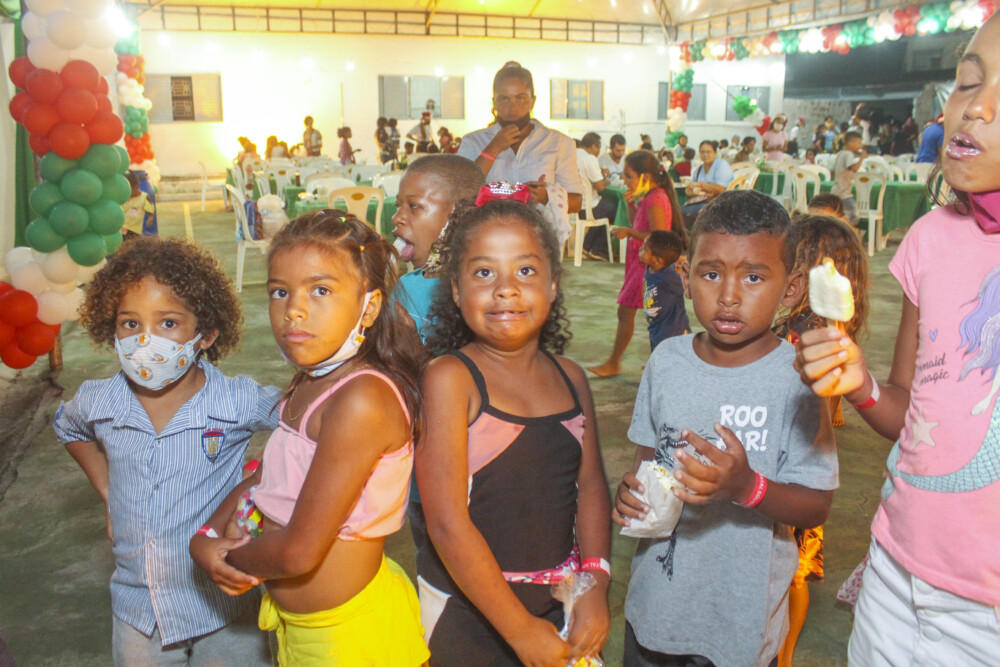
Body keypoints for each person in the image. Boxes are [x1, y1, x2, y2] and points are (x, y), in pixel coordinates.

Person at [795, 17, 1000, 663]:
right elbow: (911, 414)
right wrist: (859, 384)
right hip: (896, 572)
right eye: (967, 81)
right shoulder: (930, 239)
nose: (976, 106)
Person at [191, 212, 429, 665]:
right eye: (280, 291)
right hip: (303, 628)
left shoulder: (361, 401)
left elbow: (299, 552)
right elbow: (265, 476)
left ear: (369, 307)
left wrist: (227, 559)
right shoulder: (311, 381)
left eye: (320, 290)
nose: (293, 310)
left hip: (351, 640)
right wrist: (204, 537)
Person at [614, 190, 838, 666]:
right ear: (685, 277)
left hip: (739, 624)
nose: (729, 296)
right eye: (711, 274)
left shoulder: (798, 379)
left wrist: (745, 487)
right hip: (656, 609)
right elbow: (647, 463)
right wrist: (632, 495)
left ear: (791, 288)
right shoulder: (667, 361)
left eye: (753, 277)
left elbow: (815, 504)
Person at [54, 237, 278, 666]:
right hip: (139, 611)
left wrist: (259, 481)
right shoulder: (98, 401)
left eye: (168, 323)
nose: (145, 341)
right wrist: (109, 490)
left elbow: (305, 422)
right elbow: (67, 426)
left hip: (224, 607)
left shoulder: (237, 400)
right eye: (130, 323)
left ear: (206, 335)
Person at [417, 198, 612, 666]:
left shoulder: (571, 377)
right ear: (456, 290)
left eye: (525, 271)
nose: (505, 289)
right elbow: (446, 523)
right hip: (467, 613)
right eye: (484, 273)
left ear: (552, 284)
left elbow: (590, 487)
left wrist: (594, 582)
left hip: (558, 604)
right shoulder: (451, 379)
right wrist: (520, 630)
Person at [772, 214, 870, 667]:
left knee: (790, 572)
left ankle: (784, 654)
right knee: (791, 571)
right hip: (804, 463)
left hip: (792, 466)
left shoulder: (807, 331)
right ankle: (783, 653)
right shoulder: (828, 327)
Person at [588, 150, 685, 378]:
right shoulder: (649, 197)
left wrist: (629, 232)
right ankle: (654, 360)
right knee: (651, 314)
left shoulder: (655, 199)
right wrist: (630, 205)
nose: (625, 181)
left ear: (646, 177)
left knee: (630, 312)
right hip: (640, 263)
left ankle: (614, 362)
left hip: (647, 266)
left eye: (629, 176)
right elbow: (638, 224)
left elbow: (658, 238)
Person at [458, 61, 583, 217]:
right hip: (489, 228)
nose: (512, 107)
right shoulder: (473, 141)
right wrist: (493, 149)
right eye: (504, 99)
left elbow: (577, 202)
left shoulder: (558, 142)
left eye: (520, 98)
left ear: (533, 101)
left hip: (540, 230)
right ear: (494, 102)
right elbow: (459, 191)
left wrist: (546, 197)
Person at [392, 154, 486, 340]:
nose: (396, 218)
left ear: (460, 214)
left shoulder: (479, 294)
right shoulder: (404, 288)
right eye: (398, 206)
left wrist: (416, 349)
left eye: (413, 206)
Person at [640, 229, 689, 351]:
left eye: (645, 249)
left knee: (671, 357)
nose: (641, 249)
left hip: (672, 331)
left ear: (658, 260)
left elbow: (689, 285)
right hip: (657, 328)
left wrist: (687, 269)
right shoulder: (650, 268)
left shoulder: (668, 277)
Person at [576, 132, 619, 262]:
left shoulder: (571, 155)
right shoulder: (590, 158)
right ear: (594, 146)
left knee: (605, 208)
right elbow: (600, 187)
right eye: (599, 148)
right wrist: (607, 180)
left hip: (571, 206)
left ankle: (587, 246)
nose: (598, 152)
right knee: (614, 209)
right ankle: (599, 249)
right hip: (587, 208)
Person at [680, 140, 735, 226]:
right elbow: (691, 190)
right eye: (702, 152)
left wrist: (701, 185)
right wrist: (690, 191)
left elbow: (720, 189)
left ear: (715, 153)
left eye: (708, 152)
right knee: (679, 212)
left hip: (721, 203)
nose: (705, 155)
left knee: (687, 212)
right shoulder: (698, 170)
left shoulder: (721, 166)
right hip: (703, 201)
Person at [833, 130, 867, 225]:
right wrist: (862, 158)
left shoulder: (840, 153)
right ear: (852, 143)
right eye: (859, 143)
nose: (861, 146)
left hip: (836, 190)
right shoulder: (849, 154)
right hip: (844, 193)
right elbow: (854, 168)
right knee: (853, 217)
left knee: (840, 216)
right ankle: (848, 232)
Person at [121, 170, 154, 239]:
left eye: (129, 191)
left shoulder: (145, 197)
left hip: (135, 230)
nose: (127, 193)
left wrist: (150, 219)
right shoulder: (123, 198)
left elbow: (150, 210)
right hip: (122, 229)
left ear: (136, 186)